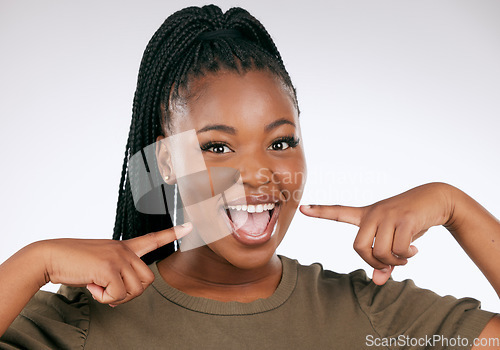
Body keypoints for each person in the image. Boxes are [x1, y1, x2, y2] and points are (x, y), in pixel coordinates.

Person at [0, 4, 499, 349]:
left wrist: (452, 204)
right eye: (217, 146)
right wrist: (34, 262)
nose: (260, 174)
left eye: (281, 142)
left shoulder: (366, 315)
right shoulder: (82, 322)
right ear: (168, 162)